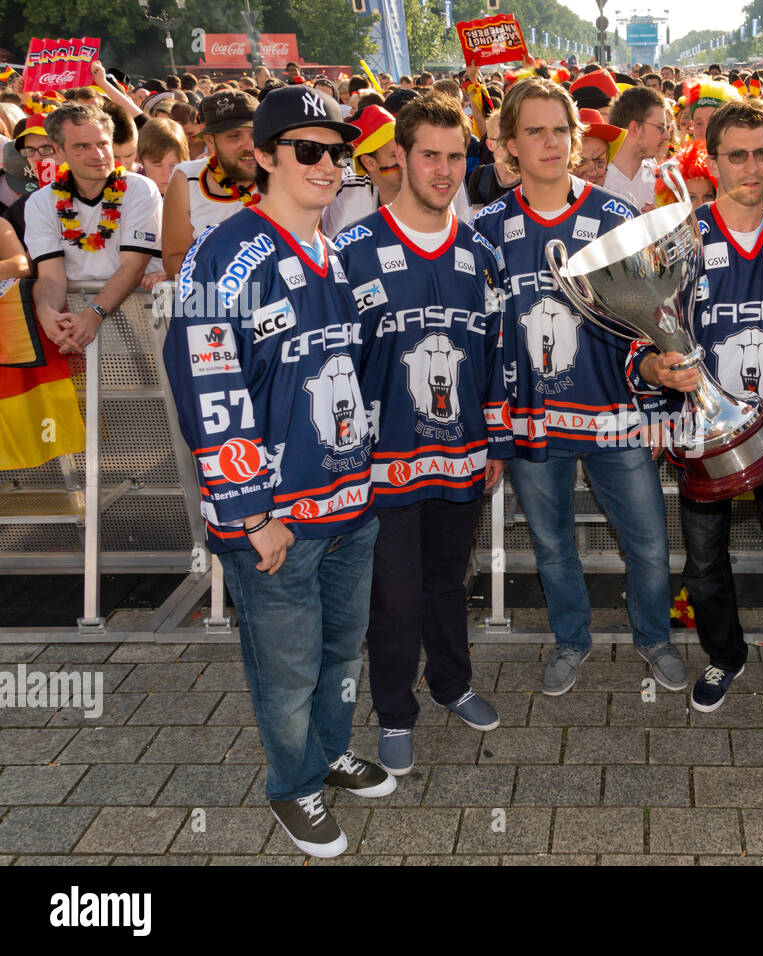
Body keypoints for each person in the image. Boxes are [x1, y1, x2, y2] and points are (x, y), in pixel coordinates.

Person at [162, 85, 394, 859]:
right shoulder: (222, 256)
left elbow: (353, 374)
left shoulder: (338, 248)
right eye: (308, 150)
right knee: (288, 665)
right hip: (275, 519)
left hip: (349, 502)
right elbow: (208, 391)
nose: (328, 165)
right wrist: (252, 513)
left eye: (339, 151)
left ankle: (326, 754)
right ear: (260, 156)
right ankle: (292, 786)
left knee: (338, 650)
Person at [472, 77, 686, 695]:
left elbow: (651, 318)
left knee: (648, 541)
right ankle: (571, 639)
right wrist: (493, 430)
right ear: (510, 143)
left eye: (559, 130)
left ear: (576, 137)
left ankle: (654, 638)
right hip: (534, 423)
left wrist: (655, 406)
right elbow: (485, 337)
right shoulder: (486, 229)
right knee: (552, 543)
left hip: (617, 416)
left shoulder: (613, 215)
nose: (549, 142)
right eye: (534, 131)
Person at [629, 98, 763, 728]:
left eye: (761, 153)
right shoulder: (675, 240)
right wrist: (654, 374)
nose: (750, 166)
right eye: (735, 155)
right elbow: (637, 332)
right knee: (704, 567)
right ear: (710, 161)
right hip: (701, 435)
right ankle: (724, 656)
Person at [336, 93, 513, 775]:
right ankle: (394, 710)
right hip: (382, 461)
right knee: (396, 593)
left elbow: (497, 354)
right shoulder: (351, 250)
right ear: (399, 160)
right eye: (429, 156)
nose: (443, 170)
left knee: (447, 582)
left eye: (454, 156)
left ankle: (452, 683)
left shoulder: (480, 252)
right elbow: (335, 363)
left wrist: (496, 440)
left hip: (463, 454)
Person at [27, 103, 161, 355]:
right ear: (58, 151)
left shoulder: (140, 189)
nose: (98, 155)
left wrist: (94, 314)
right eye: (82, 146)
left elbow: (133, 266)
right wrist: (46, 310)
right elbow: (50, 277)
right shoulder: (40, 202)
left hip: (145, 321)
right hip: (80, 327)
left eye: (103, 144)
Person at [161, 90, 259, 276]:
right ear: (210, 139)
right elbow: (175, 259)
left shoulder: (281, 175)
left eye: (255, 134)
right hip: (215, 298)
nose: (249, 146)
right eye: (234, 136)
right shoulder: (187, 178)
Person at [321, 104, 398, 235]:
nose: (405, 158)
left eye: (407, 149)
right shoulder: (348, 194)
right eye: (395, 155)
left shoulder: (430, 188)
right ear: (369, 163)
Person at [605, 85, 669, 208]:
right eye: (660, 128)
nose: (666, 136)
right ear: (635, 128)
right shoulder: (599, 179)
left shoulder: (659, 178)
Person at [137, 117, 188, 196]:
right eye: (158, 165)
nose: (167, 174)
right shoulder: (130, 192)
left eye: (173, 165)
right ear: (141, 160)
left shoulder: (196, 191)